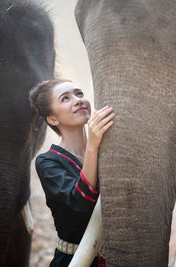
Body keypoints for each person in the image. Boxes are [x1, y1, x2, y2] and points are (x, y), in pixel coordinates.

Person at [29, 79, 114, 267]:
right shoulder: (47, 162)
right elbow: (80, 202)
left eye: (79, 94)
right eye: (65, 98)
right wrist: (92, 146)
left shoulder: (107, 149)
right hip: (75, 260)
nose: (77, 100)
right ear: (52, 119)